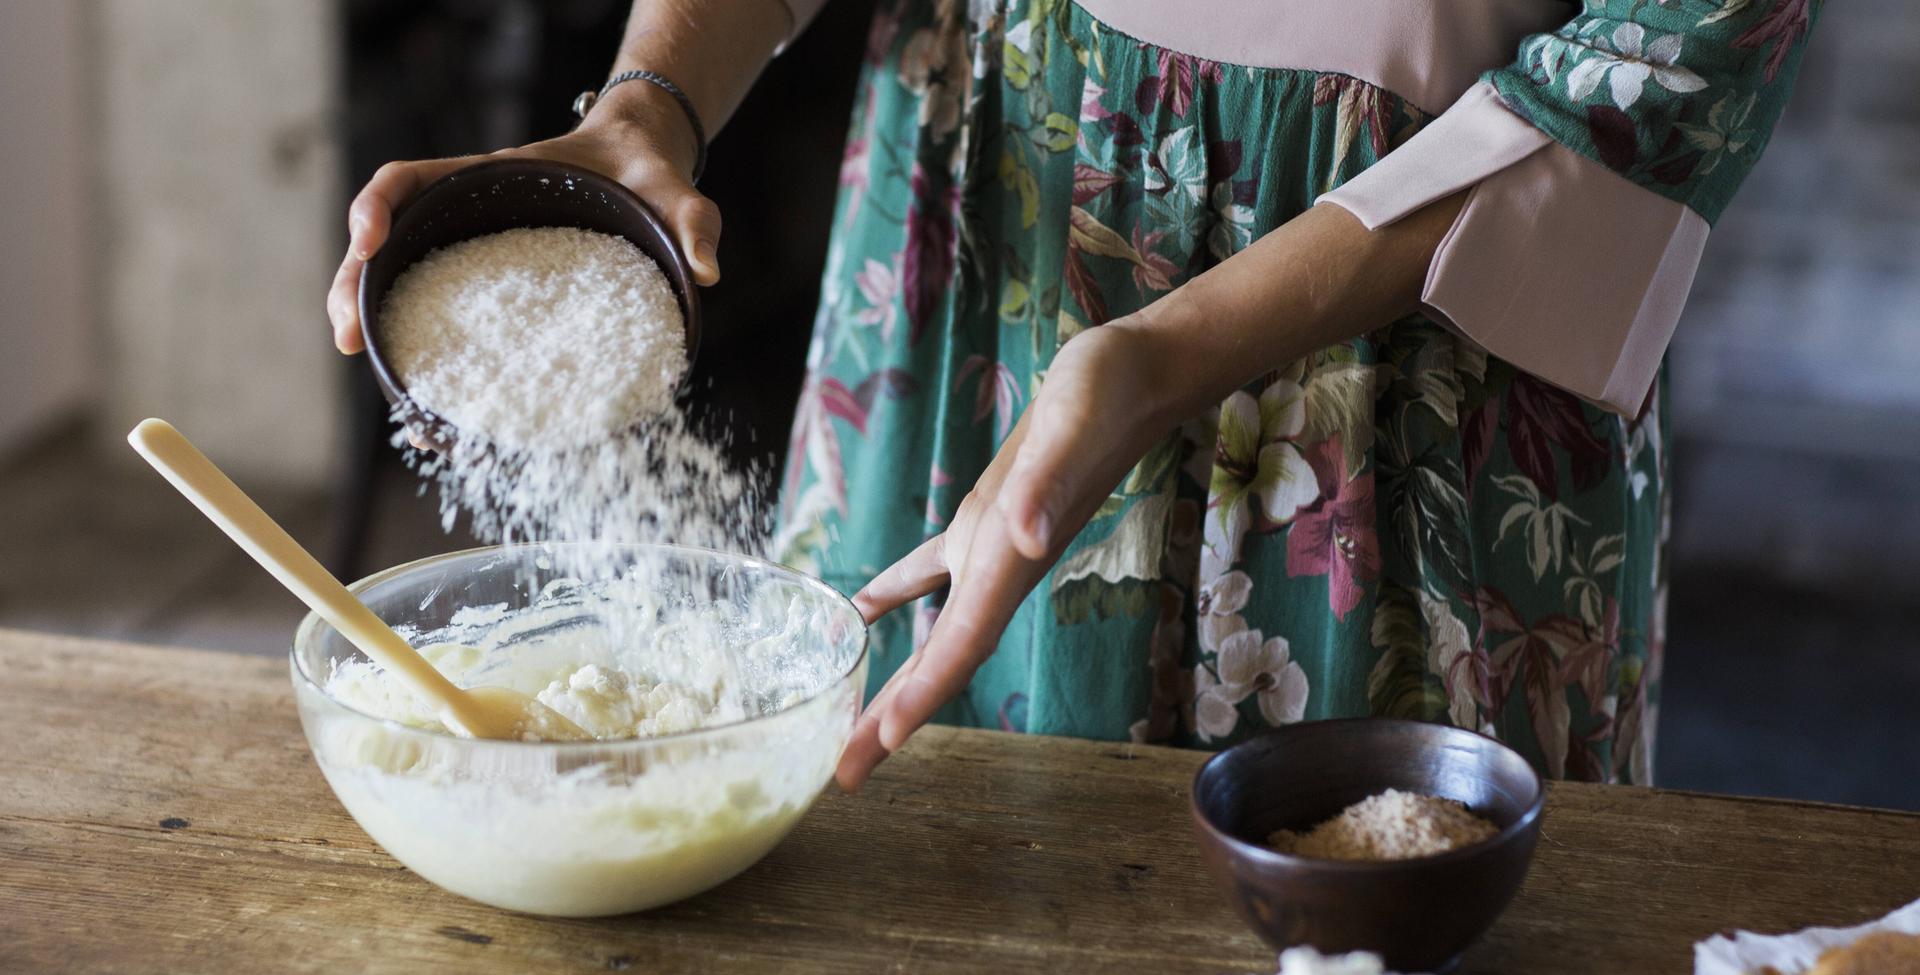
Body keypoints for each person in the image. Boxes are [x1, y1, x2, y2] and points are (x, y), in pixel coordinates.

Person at [328, 0, 1821, 792]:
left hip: (1411, 319)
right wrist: (647, 100)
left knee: (1375, 974)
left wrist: (1168, 351)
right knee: (891, 908)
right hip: (980, 241)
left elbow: (1682, 41)